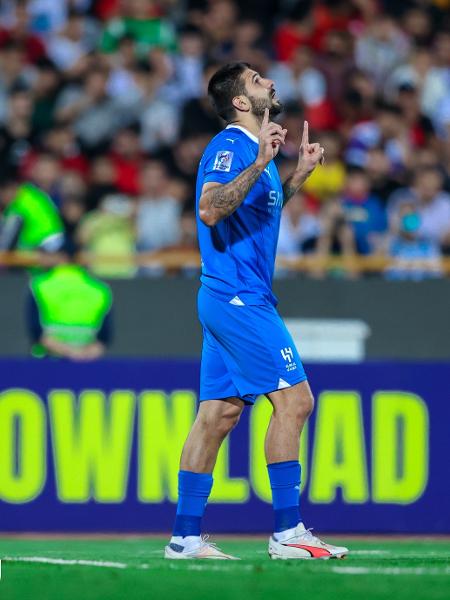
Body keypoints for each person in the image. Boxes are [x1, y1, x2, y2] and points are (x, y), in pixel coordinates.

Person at [165, 62, 349, 561]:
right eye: (256, 80)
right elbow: (209, 207)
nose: (269, 81)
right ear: (242, 102)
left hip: (229, 296)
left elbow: (254, 210)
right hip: (238, 297)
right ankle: (288, 532)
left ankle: (184, 538)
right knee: (296, 401)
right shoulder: (232, 147)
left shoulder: (257, 153)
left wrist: (296, 178)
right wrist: (258, 161)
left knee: (217, 415)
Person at [27, 252, 113, 359]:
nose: (40, 257)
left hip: (49, 361)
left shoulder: (39, 285)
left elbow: (36, 332)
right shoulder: (100, 289)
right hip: (87, 363)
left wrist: (71, 353)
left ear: (63, 256)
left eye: (47, 253)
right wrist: (81, 355)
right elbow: (104, 338)